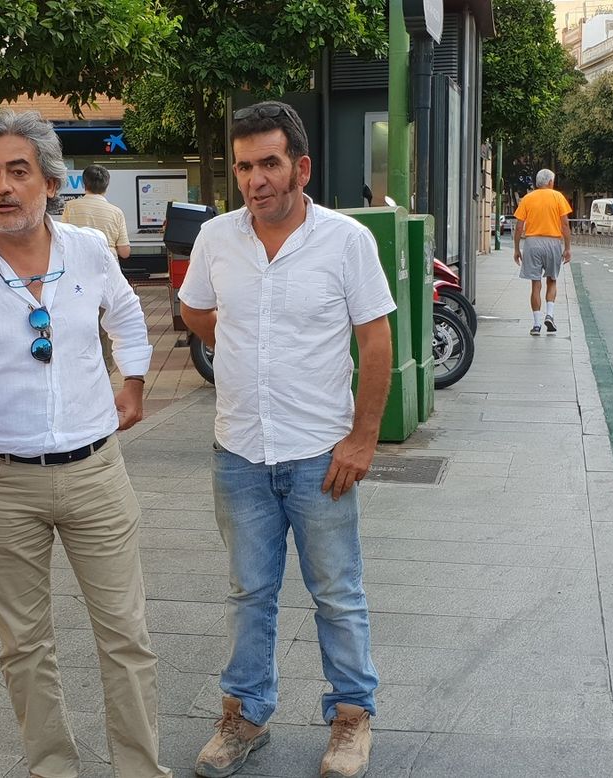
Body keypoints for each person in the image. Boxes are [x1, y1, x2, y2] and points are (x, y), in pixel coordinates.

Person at [0, 108, 171, 778]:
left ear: (49, 182)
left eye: (18, 172)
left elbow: (124, 314)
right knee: (25, 646)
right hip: (0, 479)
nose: (3, 186)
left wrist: (136, 380)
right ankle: (52, 768)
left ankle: (141, 769)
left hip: (95, 471)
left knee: (126, 637)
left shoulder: (88, 250)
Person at [179, 100, 393, 778]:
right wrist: (234, 345)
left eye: (268, 163)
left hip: (319, 455)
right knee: (249, 592)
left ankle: (352, 719)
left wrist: (362, 439)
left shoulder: (345, 241)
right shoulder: (217, 238)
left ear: (299, 166)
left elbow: (375, 337)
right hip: (239, 450)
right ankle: (245, 718)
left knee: (336, 591)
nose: (255, 179)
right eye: (244, 166)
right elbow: (193, 307)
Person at [512, 168, 573, 335]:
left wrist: (517, 249)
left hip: (532, 243)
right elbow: (565, 225)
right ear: (550, 182)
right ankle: (550, 315)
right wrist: (567, 248)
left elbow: (519, 227)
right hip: (553, 242)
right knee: (552, 280)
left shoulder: (527, 199)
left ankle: (537, 325)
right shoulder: (558, 197)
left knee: (535, 284)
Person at [61, 163, 131, 260]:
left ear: (83, 184)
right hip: (108, 268)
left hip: (79, 266)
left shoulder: (70, 206)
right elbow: (124, 252)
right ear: (107, 185)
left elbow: (64, 240)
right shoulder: (117, 213)